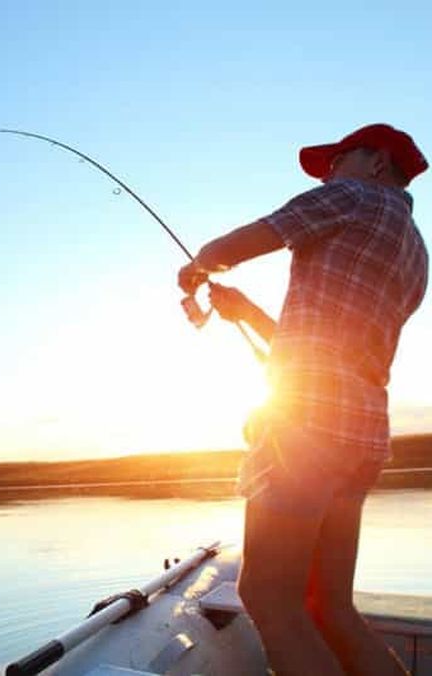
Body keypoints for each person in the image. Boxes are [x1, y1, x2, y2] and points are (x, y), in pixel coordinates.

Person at [178, 123, 428, 675]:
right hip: (361, 438)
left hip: (307, 433)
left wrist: (198, 265)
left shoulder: (351, 195)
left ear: (377, 163)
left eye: (336, 161)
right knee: (331, 608)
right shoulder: (417, 252)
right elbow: (331, 349)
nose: (328, 174)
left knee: (270, 599)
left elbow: (234, 247)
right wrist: (246, 314)